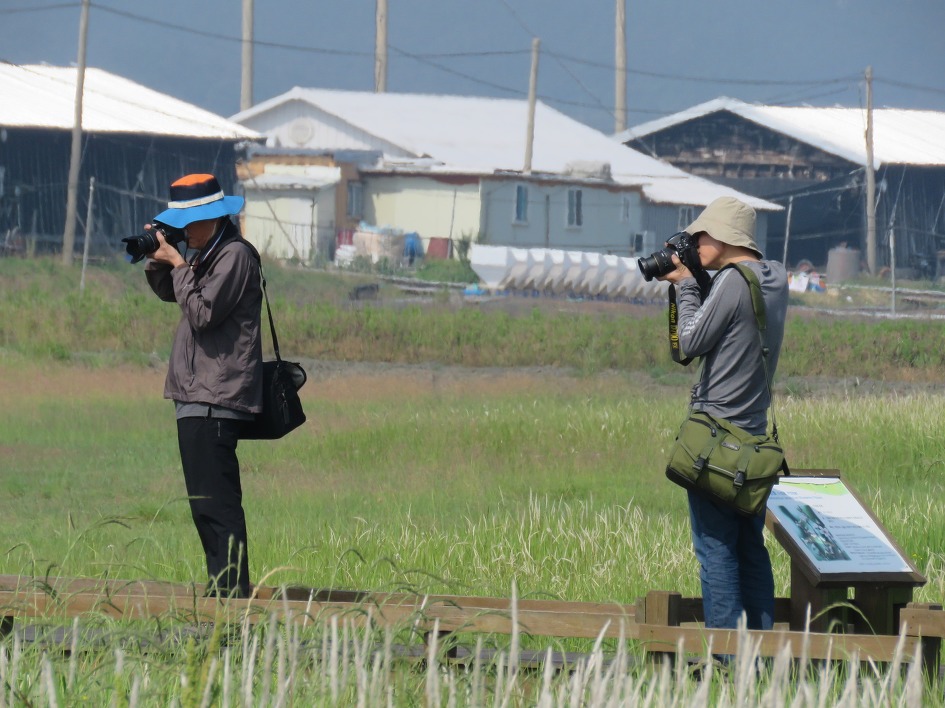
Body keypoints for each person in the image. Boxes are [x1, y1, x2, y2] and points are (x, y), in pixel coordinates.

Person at [658, 196, 789, 631]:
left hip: (715, 442)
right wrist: (698, 275)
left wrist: (686, 286)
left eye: (700, 237)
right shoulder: (773, 278)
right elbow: (734, 327)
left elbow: (691, 343)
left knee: (715, 550)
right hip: (752, 443)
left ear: (722, 236)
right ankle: (762, 658)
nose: (694, 245)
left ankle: (730, 661)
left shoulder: (733, 280)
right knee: (750, 549)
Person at [144, 173, 262, 598]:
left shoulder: (233, 256)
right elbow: (173, 295)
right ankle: (221, 591)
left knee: (219, 507)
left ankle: (232, 598)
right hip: (195, 397)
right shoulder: (205, 254)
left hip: (217, 397)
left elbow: (202, 313)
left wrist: (178, 264)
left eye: (189, 221)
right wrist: (160, 259)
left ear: (212, 218)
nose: (184, 230)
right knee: (203, 507)